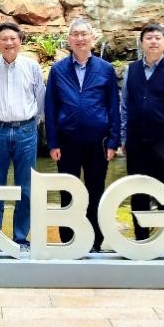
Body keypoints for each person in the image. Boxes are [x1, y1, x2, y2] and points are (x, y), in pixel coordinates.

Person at [44, 17, 121, 252]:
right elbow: (50, 108)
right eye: (75, 34)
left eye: (84, 34)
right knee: (68, 192)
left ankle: (94, 241)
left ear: (91, 38)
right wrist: (52, 142)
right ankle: (68, 240)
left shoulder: (105, 69)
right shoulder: (58, 70)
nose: (80, 38)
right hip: (67, 142)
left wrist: (113, 141)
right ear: (69, 39)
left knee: (96, 190)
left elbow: (113, 107)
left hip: (97, 143)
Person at [0, 21, 45, 253]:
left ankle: (21, 239)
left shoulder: (32, 67)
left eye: (13, 38)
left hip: (26, 130)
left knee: (25, 188)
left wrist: (32, 123)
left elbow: (40, 99)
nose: (9, 43)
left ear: (20, 41)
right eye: (4, 39)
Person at [120, 23, 164, 240]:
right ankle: (141, 240)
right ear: (141, 43)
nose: (153, 41)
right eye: (148, 37)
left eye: (158, 38)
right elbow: (124, 106)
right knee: (137, 191)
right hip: (135, 142)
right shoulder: (131, 70)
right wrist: (124, 137)